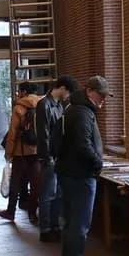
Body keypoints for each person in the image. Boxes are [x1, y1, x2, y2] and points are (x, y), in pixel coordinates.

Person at [55, 75, 111, 256]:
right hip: (80, 174)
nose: (103, 100)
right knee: (79, 222)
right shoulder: (82, 113)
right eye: (101, 95)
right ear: (89, 91)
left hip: (71, 172)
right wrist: (98, 163)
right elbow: (82, 144)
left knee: (72, 221)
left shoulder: (75, 109)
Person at [36, 75, 77, 243]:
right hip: (51, 157)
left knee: (58, 194)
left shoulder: (59, 105)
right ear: (62, 88)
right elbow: (43, 133)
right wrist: (48, 157)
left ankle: (55, 226)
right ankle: (45, 229)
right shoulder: (44, 105)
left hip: (59, 157)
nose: (68, 96)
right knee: (47, 194)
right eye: (68, 92)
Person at [0, 82, 43, 224]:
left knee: (15, 182)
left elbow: (13, 133)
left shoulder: (19, 107)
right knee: (36, 184)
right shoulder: (43, 104)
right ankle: (32, 214)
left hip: (20, 152)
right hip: (38, 151)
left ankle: (11, 212)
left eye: (19, 91)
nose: (18, 94)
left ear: (24, 92)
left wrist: (8, 153)